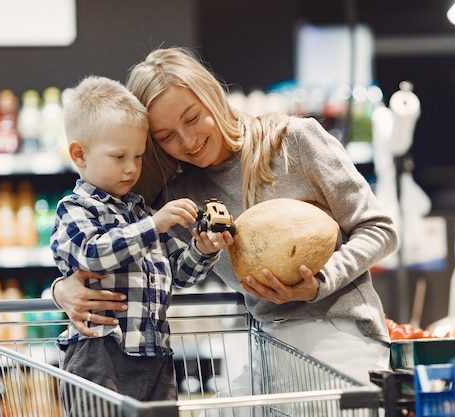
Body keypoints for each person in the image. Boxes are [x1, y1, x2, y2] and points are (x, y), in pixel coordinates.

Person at [52, 47, 398, 385]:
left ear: (213, 96)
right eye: (166, 136)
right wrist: (61, 289)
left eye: (192, 118)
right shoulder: (175, 195)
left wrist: (318, 284)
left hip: (339, 333)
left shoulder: (295, 141)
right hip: (268, 341)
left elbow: (379, 229)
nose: (188, 141)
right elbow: (103, 242)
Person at [50, 75, 233, 402]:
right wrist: (156, 225)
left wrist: (202, 249)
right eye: (119, 157)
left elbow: (180, 274)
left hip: (155, 353)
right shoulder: (75, 209)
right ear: (79, 155)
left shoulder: (141, 212)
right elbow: (93, 253)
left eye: (138, 156)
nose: (132, 168)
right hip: (101, 352)